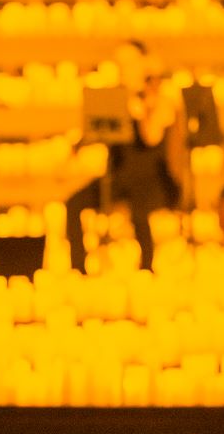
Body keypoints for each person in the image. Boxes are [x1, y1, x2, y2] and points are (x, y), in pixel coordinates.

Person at [65, 40, 182, 272]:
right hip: (119, 178)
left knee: (139, 209)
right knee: (73, 203)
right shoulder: (119, 98)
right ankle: (78, 268)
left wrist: (143, 105)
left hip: (149, 182)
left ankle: (146, 267)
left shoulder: (160, 100)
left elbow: (151, 137)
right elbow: (101, 131)